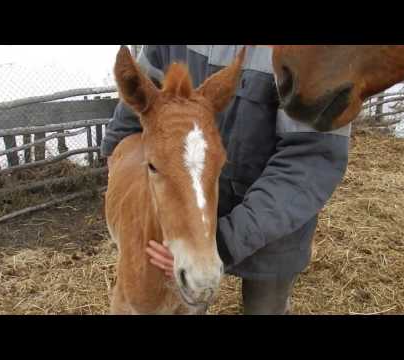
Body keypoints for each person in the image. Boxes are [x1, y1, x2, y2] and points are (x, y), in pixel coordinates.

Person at [101, 45, 351, 315]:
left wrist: (224, 241)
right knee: (190, 298)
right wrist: (117, 152)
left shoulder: (315, 53)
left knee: (265, 307)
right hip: (197, 216)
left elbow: (311, 160)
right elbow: (143, 88)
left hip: (275, 228)